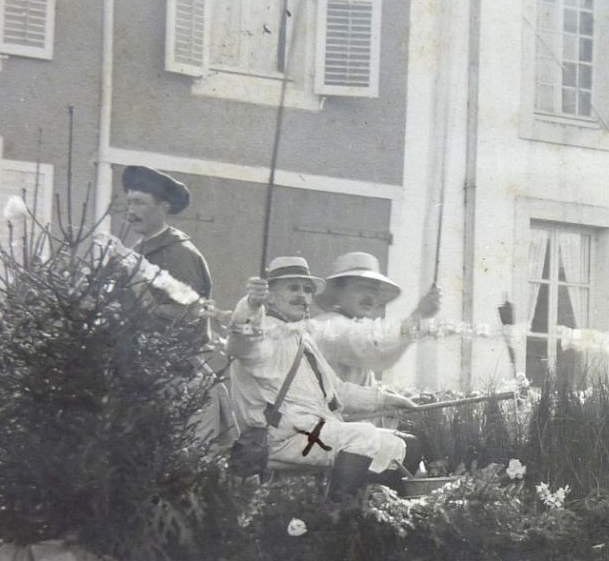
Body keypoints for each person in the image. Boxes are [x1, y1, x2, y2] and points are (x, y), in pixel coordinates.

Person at [225, 256, 419, 493]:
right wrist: (251, 306)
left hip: (312, 432)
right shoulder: (263, 333)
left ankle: (373, 516)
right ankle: (333, 517)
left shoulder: (302, 337)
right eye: (293, 287)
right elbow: (239, 343)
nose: (303, 296)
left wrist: (387, 399)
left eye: (307, 290)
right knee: (360, 436)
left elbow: (337, 390)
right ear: (270, 295)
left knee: (405, 444)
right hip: (277, 436)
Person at [309, 251, 441, 386]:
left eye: (374, 290)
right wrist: (419, 313)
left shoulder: (358, 325)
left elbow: (366, 382)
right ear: (338, 292)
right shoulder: (328, 326)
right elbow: (376, 350)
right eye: (361, 287)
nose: (369, 296)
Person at [121, 165, 212, 304]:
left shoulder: (181, 254)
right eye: (129, 203)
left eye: (139, 203)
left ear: (163, 207)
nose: (131, 212)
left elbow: (187, 315)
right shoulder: (137, 251)